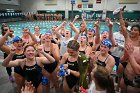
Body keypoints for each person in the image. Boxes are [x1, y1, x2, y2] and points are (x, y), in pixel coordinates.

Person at [119, 8, 140, 93]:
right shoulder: (128, 38)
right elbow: (123, 27)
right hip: (125, 60)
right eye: (132, 29)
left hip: (134, 65)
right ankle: (118, 84)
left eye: (135, 30)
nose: (132, 31)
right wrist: (120, 14)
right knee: (120, 74)